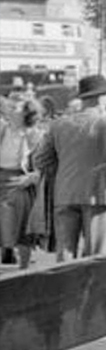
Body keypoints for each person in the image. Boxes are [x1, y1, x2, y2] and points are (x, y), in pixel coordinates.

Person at [33, 75, 106, 261]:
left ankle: (64, 288)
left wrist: (63, 172)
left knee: (64, 252)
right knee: (96, 254)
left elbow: (40, 159)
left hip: (65, 192)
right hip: (98, 191)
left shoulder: (59, 124)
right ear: (100, 97)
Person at [0, 99, 44, 269]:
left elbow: (47, 165)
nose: (10, 109)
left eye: (15, 108)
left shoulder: (35, 135)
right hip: (1, 177)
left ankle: (24, 269)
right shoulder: (3, 128)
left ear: (27, 114)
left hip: (21, 182)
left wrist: (32, 178)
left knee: (21, 227)